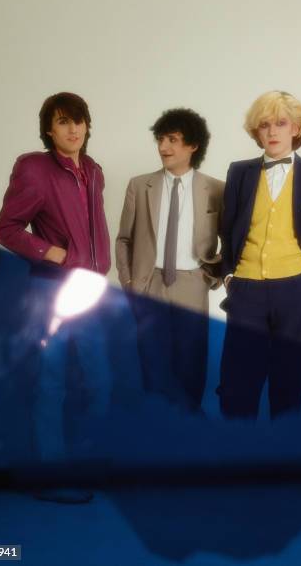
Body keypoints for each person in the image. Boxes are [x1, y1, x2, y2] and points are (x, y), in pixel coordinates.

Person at [0, 91, 112, 503]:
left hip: (91, 292)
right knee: (52, 383)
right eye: (63, 121)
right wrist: (51, 252)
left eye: (78, 120)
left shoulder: (93, 171)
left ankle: (87, 464)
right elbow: (6, 228)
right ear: (49, 129)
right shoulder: (35, 169)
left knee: (99, 380)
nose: (73, 128)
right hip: (51, 292)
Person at [218, 90, 301, 420]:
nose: (272, 132)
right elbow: (226, 230)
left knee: (289, 389)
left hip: (298, 291)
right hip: (246, 290)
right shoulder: (239, 173)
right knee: (237, 388)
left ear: (296, 128)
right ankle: (238, 466)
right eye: (264, 125)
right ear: (255, 131)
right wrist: (229, 275)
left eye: (281, 123)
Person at [116, 108, 224, 412]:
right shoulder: (139, 186)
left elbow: (233, 238)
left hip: (192, 284)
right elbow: (124, 239)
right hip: (149, 283)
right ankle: (158, 432)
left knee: (192, 363)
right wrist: (128, 282)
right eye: (161, 139)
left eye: (173, 140)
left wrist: (212, 275)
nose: (164, 147)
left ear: (193, 145)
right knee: (152, 361)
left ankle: (189, 434)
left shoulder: (215, 189)